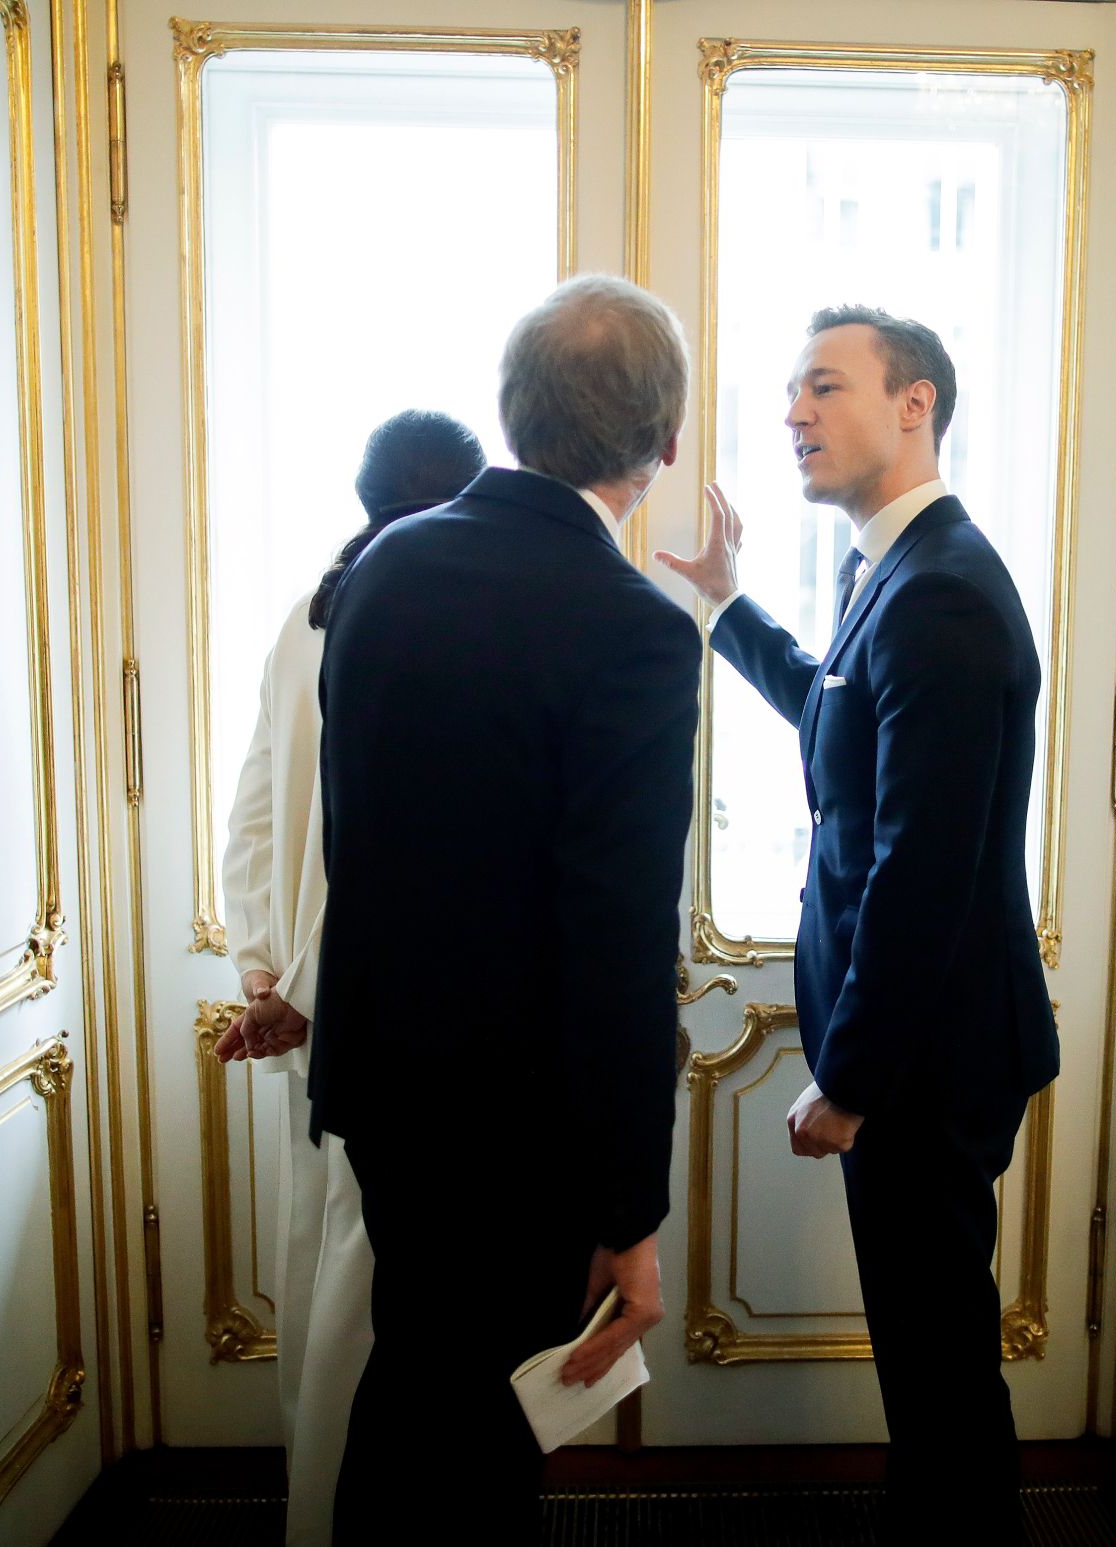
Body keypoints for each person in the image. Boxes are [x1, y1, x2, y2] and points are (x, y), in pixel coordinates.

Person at [658, 305, 1057, 1543]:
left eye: (822, 386)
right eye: (789, 391)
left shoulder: (940, 592)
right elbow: (838, 719)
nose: (790, 414)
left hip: (924, 1064)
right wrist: (728, 609)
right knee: (926, 1356)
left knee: (938, 1367)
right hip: (915, 1051)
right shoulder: (886, 570)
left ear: (913, 403)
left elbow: (918, 869)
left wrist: (849, 1076)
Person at [312, 275, 701, 1542]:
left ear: (509, 408)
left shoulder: (383, 570)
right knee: (481, 1441)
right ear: (664, 443)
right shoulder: (633, 630)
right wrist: (628, 1210)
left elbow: (362, 834)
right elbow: (617, 939)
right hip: (521, 1127)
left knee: (416, 1379)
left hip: (384, 1087)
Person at [217, 409, 488, 1547]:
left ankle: (317, 1512)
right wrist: (304, 991)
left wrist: (265, 972)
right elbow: (381, 859)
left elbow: (257, 813)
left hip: (315, 1015)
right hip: (385, 1025)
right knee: (361, 1308)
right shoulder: (431, 621)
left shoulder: (309, 610)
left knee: (318, 1272)